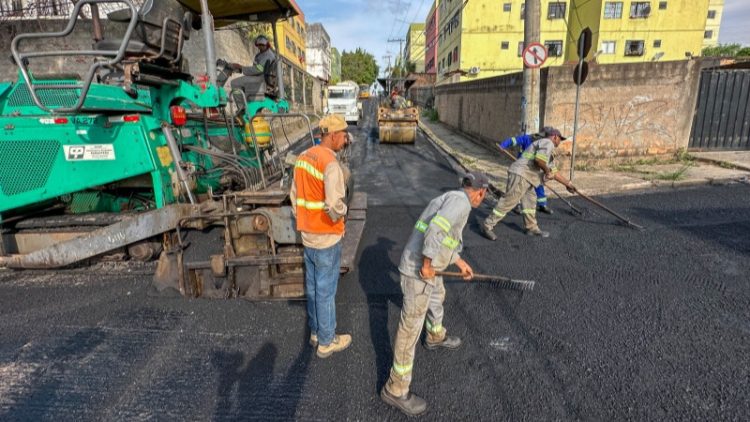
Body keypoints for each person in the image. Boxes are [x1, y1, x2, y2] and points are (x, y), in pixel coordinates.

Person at [381, 172, 488, 417]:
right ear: (480, 192)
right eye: (484, 195)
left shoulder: (449, 197)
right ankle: (396, 388)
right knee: (409, 329)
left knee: (438, 295)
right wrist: (428, 265)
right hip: (419, 271)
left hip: (430, 267)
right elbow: (436, 231)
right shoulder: (461, 203)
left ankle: (435, 335)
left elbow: (445, 239)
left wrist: (459, 263)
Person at [290, 114, 351, 359]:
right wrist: (342, 213)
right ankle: (327, 341)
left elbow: (294, 198)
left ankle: (316, 331)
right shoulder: (330, 164)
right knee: (326, 291)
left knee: (314, 288)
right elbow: (335, 205)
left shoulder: (303, 158)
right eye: (344, 135)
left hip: (308, 235)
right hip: (326, 237)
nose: (346, 139)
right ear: (333, 135)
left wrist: (304, 219)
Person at [481, 127, 576, 241]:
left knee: (530, 203)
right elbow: (539, 161)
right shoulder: (547, 143)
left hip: (529, 178)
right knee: (509, 201)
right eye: (560, 139)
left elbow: (554, 172)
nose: (560, 142)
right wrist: (546, 172)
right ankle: (487, 225)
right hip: (521, 175)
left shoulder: (547, 150)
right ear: (555, 136)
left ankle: (531, 228)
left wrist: (568, 184)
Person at [499, 129, 553, 214]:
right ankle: (516, 205)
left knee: (538, 185)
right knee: (517, 187)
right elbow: (513, 140)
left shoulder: (544, 143)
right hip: (523, 168)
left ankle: (542, 204)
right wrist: (503, 145)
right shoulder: (526, 138)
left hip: (535, 168)